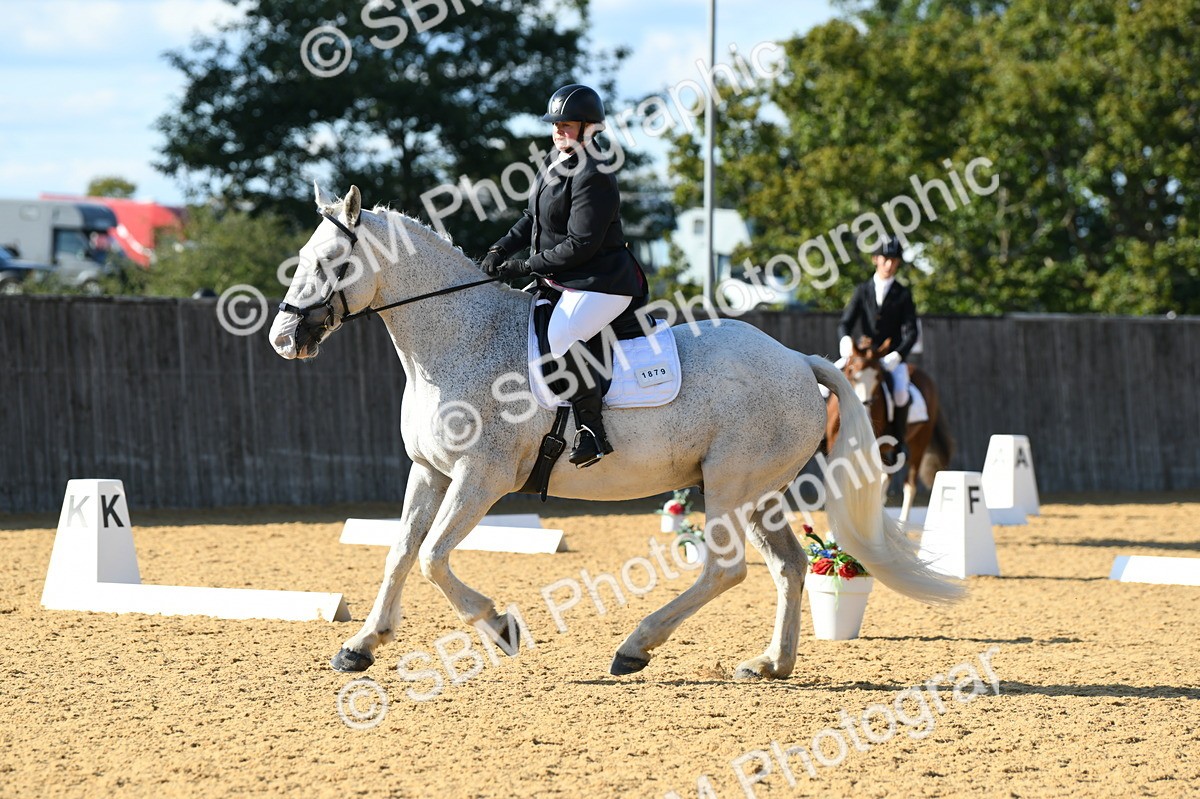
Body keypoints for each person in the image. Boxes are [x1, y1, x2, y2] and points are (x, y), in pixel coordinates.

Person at [480, 84, 646, 468]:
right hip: (563, 278)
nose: (558, 131)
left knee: (561, 333)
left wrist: (525, 266)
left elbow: (581, 244)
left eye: (567, 125)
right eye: (555, 125)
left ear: (591, 128)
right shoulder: (555, 162)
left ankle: (593, 432)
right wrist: (501, 248)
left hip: (601, 282)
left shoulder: (595, 173)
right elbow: (531, 218)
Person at [836, 236, 919, 453]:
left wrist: (897, 356)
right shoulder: (862, 290)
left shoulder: (903, 294)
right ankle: (823, 438)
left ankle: (898, 441)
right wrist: (846, 340)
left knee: (901, 393)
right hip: (863, 355)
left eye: (894, 260)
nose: (889, 264)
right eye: (885, 259)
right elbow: (846, 322)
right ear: (875, 259)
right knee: (825, 386)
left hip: (888, 357)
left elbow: (912, 332)